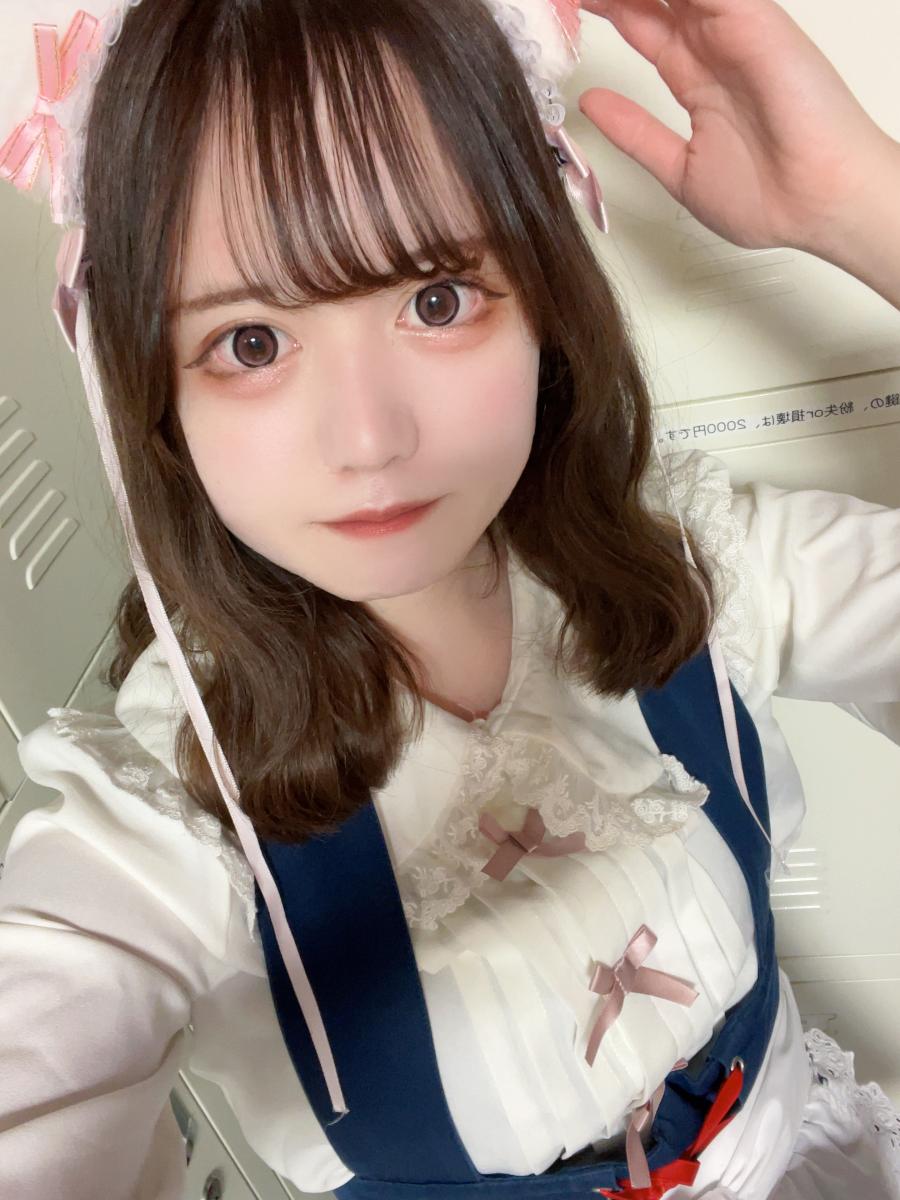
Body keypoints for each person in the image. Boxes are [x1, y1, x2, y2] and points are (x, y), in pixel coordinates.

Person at [0, 0, 897, 1197]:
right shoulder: (166, 813)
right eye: (252, 343)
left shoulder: (698, 570)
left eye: (435, 299)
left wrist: (863, 208)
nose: (370, 441)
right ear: (149, 388)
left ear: (545, 286)